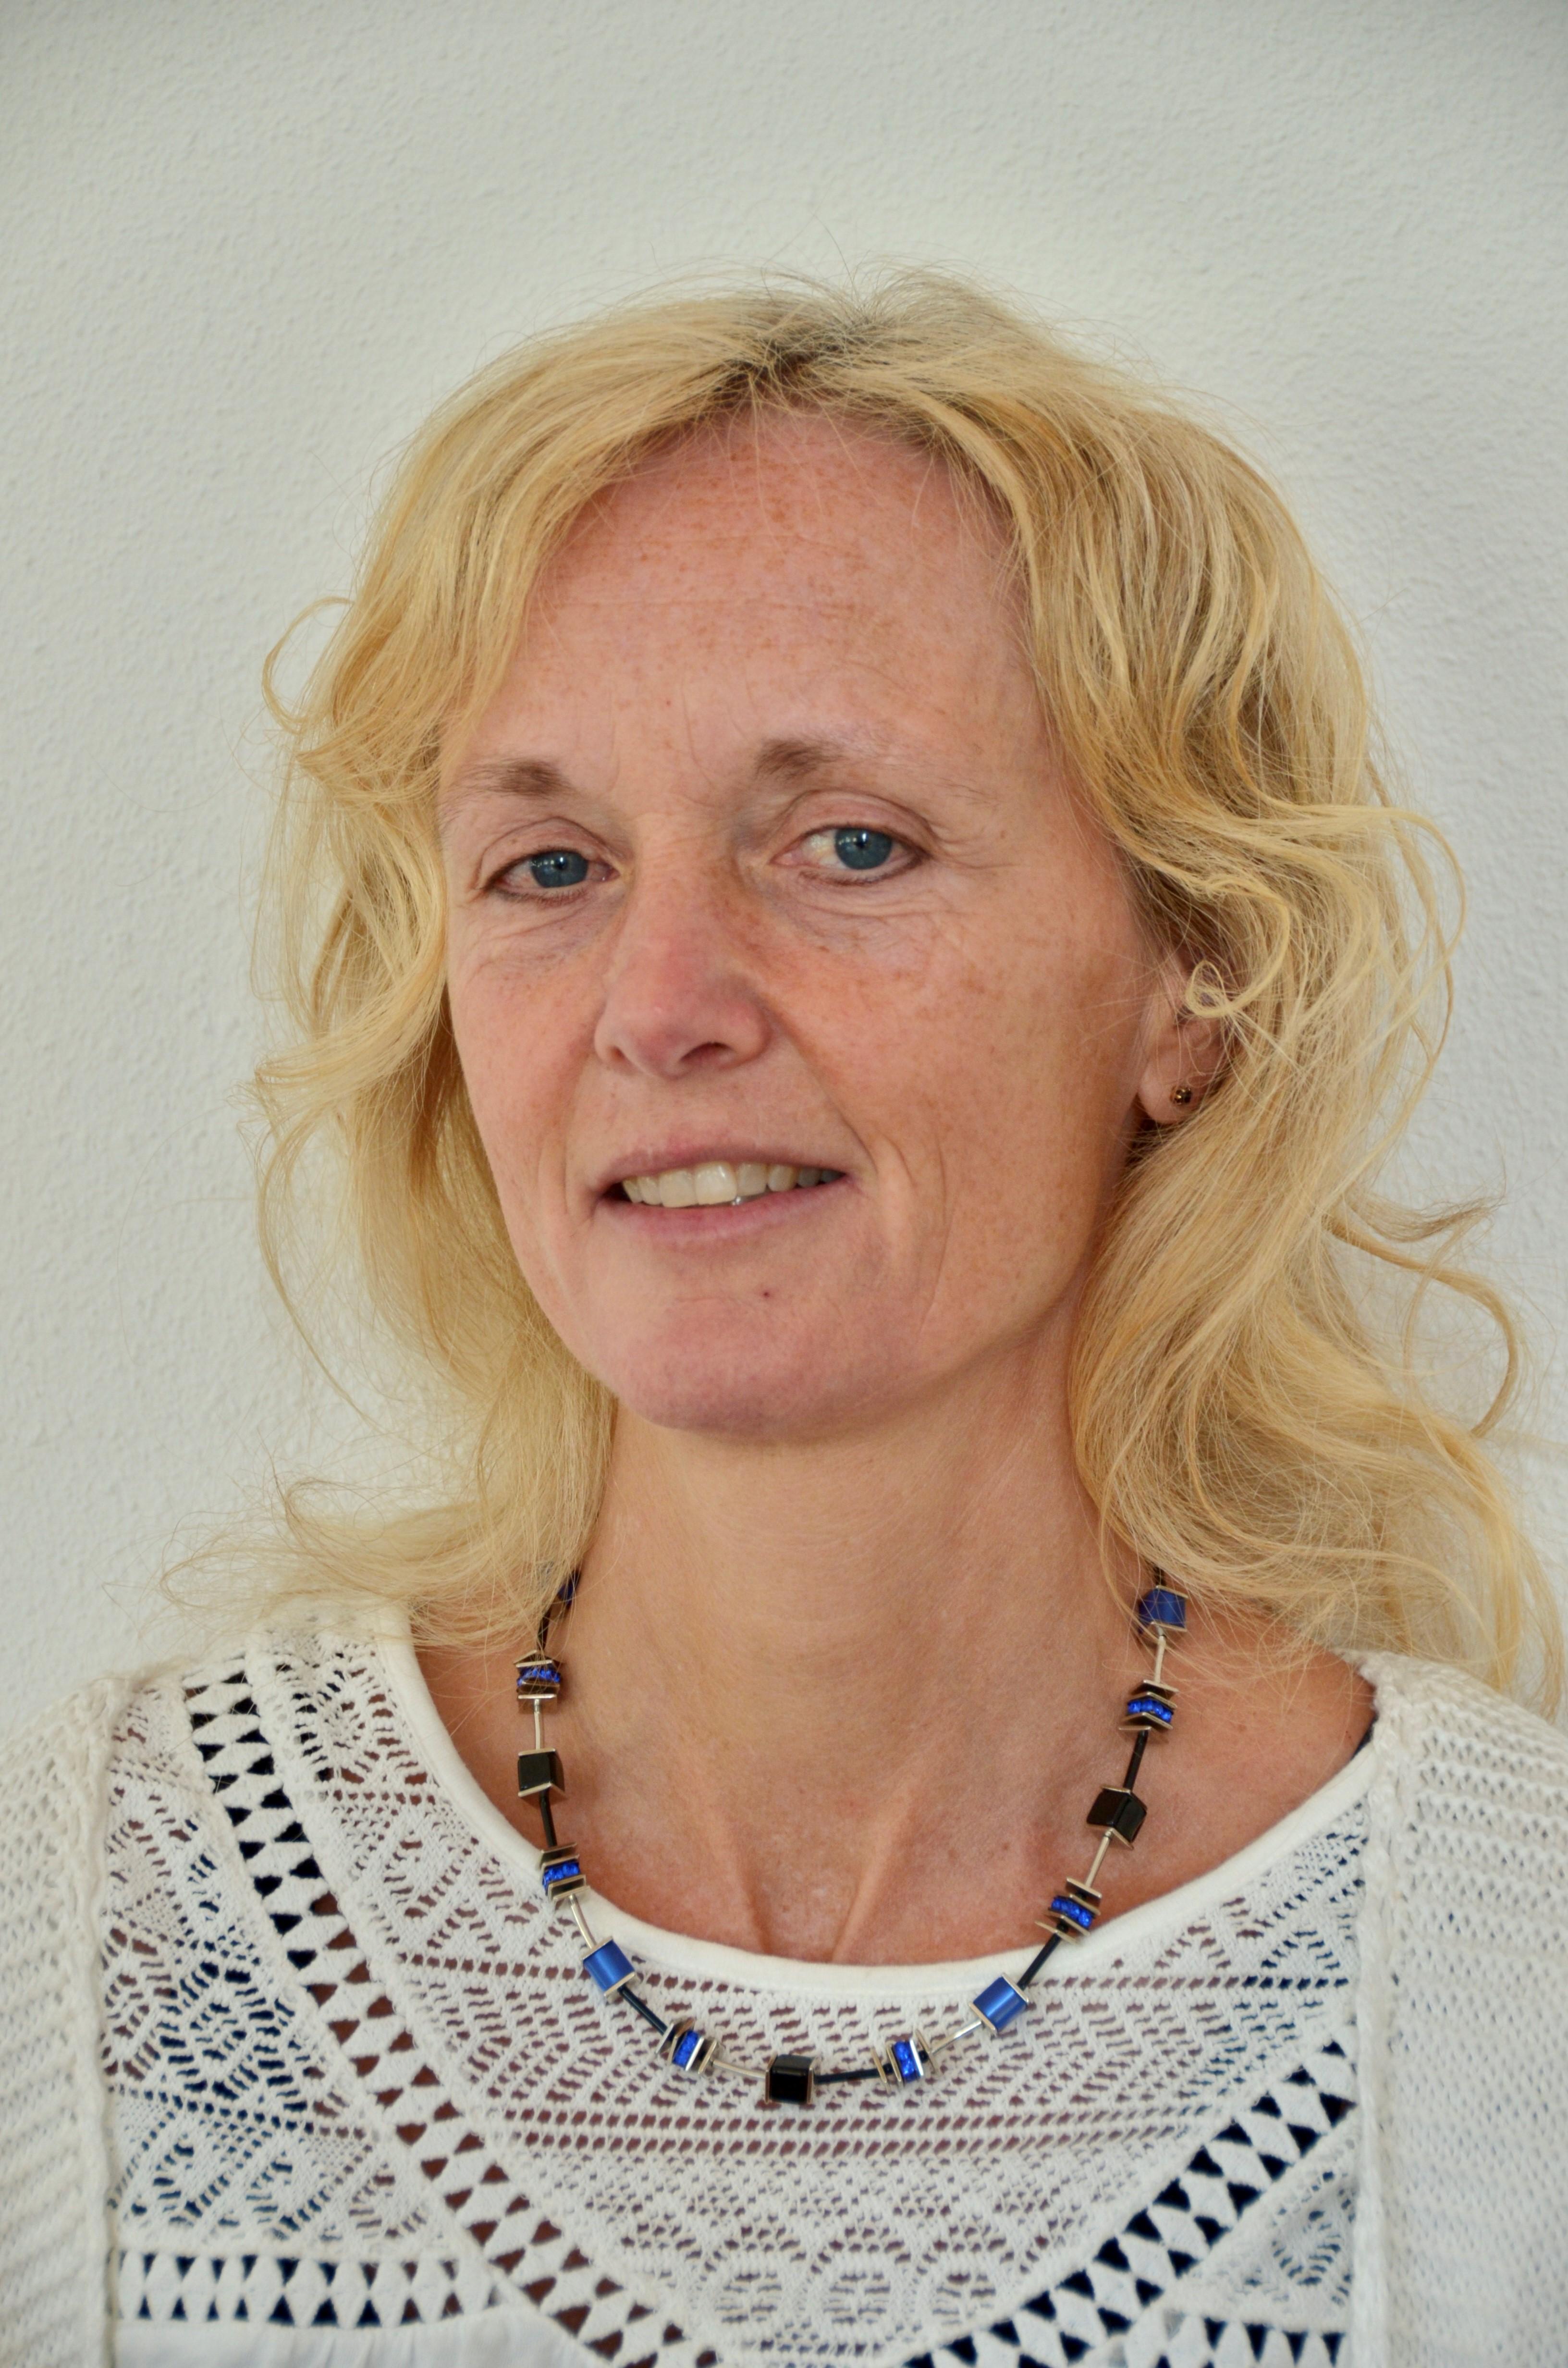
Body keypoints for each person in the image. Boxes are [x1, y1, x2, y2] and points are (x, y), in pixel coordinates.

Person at [1, 273, 1564, 2368]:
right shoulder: (103, 1928)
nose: (658, 1009)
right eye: (550, 867)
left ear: (1192, 977)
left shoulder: (1506, 1988)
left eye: (847, 843)